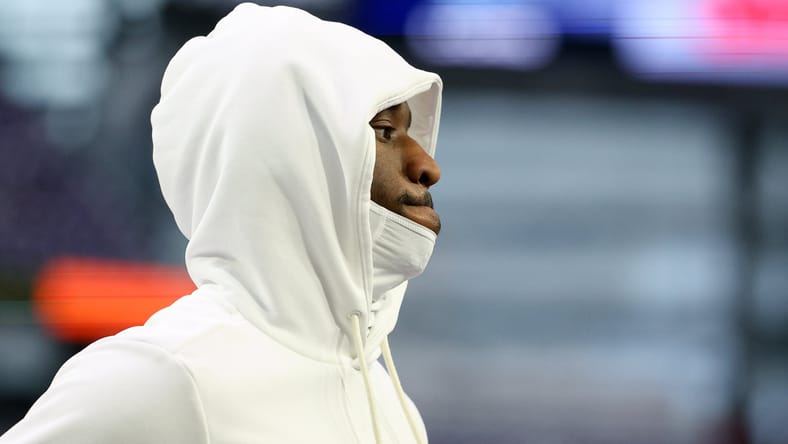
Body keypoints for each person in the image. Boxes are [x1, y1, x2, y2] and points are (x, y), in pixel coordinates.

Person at [0, 3, 443, 443]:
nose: (428, 166)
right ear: (292, 155)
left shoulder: (390, 404)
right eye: (384, 131)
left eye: (411, 133)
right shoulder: (162, 377)